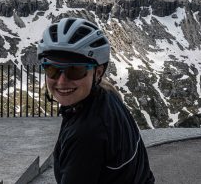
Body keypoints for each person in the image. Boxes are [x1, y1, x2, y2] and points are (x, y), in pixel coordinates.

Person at [37, 17, 155, 184]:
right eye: (52, 69)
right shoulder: (107, 95)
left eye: (75, 70)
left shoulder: (86, 134)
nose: (62, 81)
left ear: (98, 73)